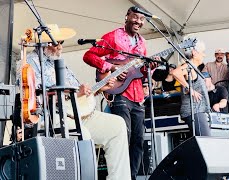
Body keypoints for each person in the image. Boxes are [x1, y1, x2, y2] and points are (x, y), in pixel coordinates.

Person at [17, 24, 131, 180]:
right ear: (43, 44)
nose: (59, 47)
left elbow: (78, 95)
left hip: (76, 114)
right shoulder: (29, 64)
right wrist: (74, 93)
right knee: (83, 134)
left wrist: (99, 88)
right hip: (52, 117)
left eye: (61, 42)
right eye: (55, 43)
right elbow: (36, 99)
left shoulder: (61, 63)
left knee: (117, 125)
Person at [83, 6, 158, 179]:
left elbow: (141, 72)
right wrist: (112, 67)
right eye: (136, 17)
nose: (138, 21)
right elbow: (89, 55)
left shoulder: (142, 43)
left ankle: (130, 176)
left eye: (142, 19)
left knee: (138, 141)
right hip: (120, 94)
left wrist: (151, 68)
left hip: (138, 96)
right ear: (127, 17)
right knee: (124, 136)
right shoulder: (113, 36)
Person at [171, 40, 211, 136]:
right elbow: (175, 72)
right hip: (194, 111)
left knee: (203, 142)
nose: (204, 55)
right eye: (202, 52)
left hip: (198, 111)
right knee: (205, 141)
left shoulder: (194, 69)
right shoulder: (189, 67)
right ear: (194, 53)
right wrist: (190, 89)